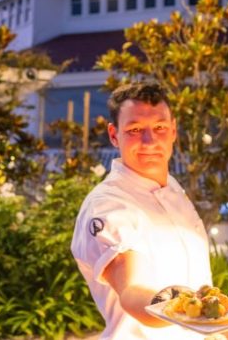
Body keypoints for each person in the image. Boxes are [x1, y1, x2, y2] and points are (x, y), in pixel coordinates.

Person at [71, 81, 212, 340]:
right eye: (135, 130)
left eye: (159, 127)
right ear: (114, 135)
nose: (150, 141)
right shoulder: (108, 205)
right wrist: (177, 303)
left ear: (173, 130)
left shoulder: (171, 186)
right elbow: (132, 288)